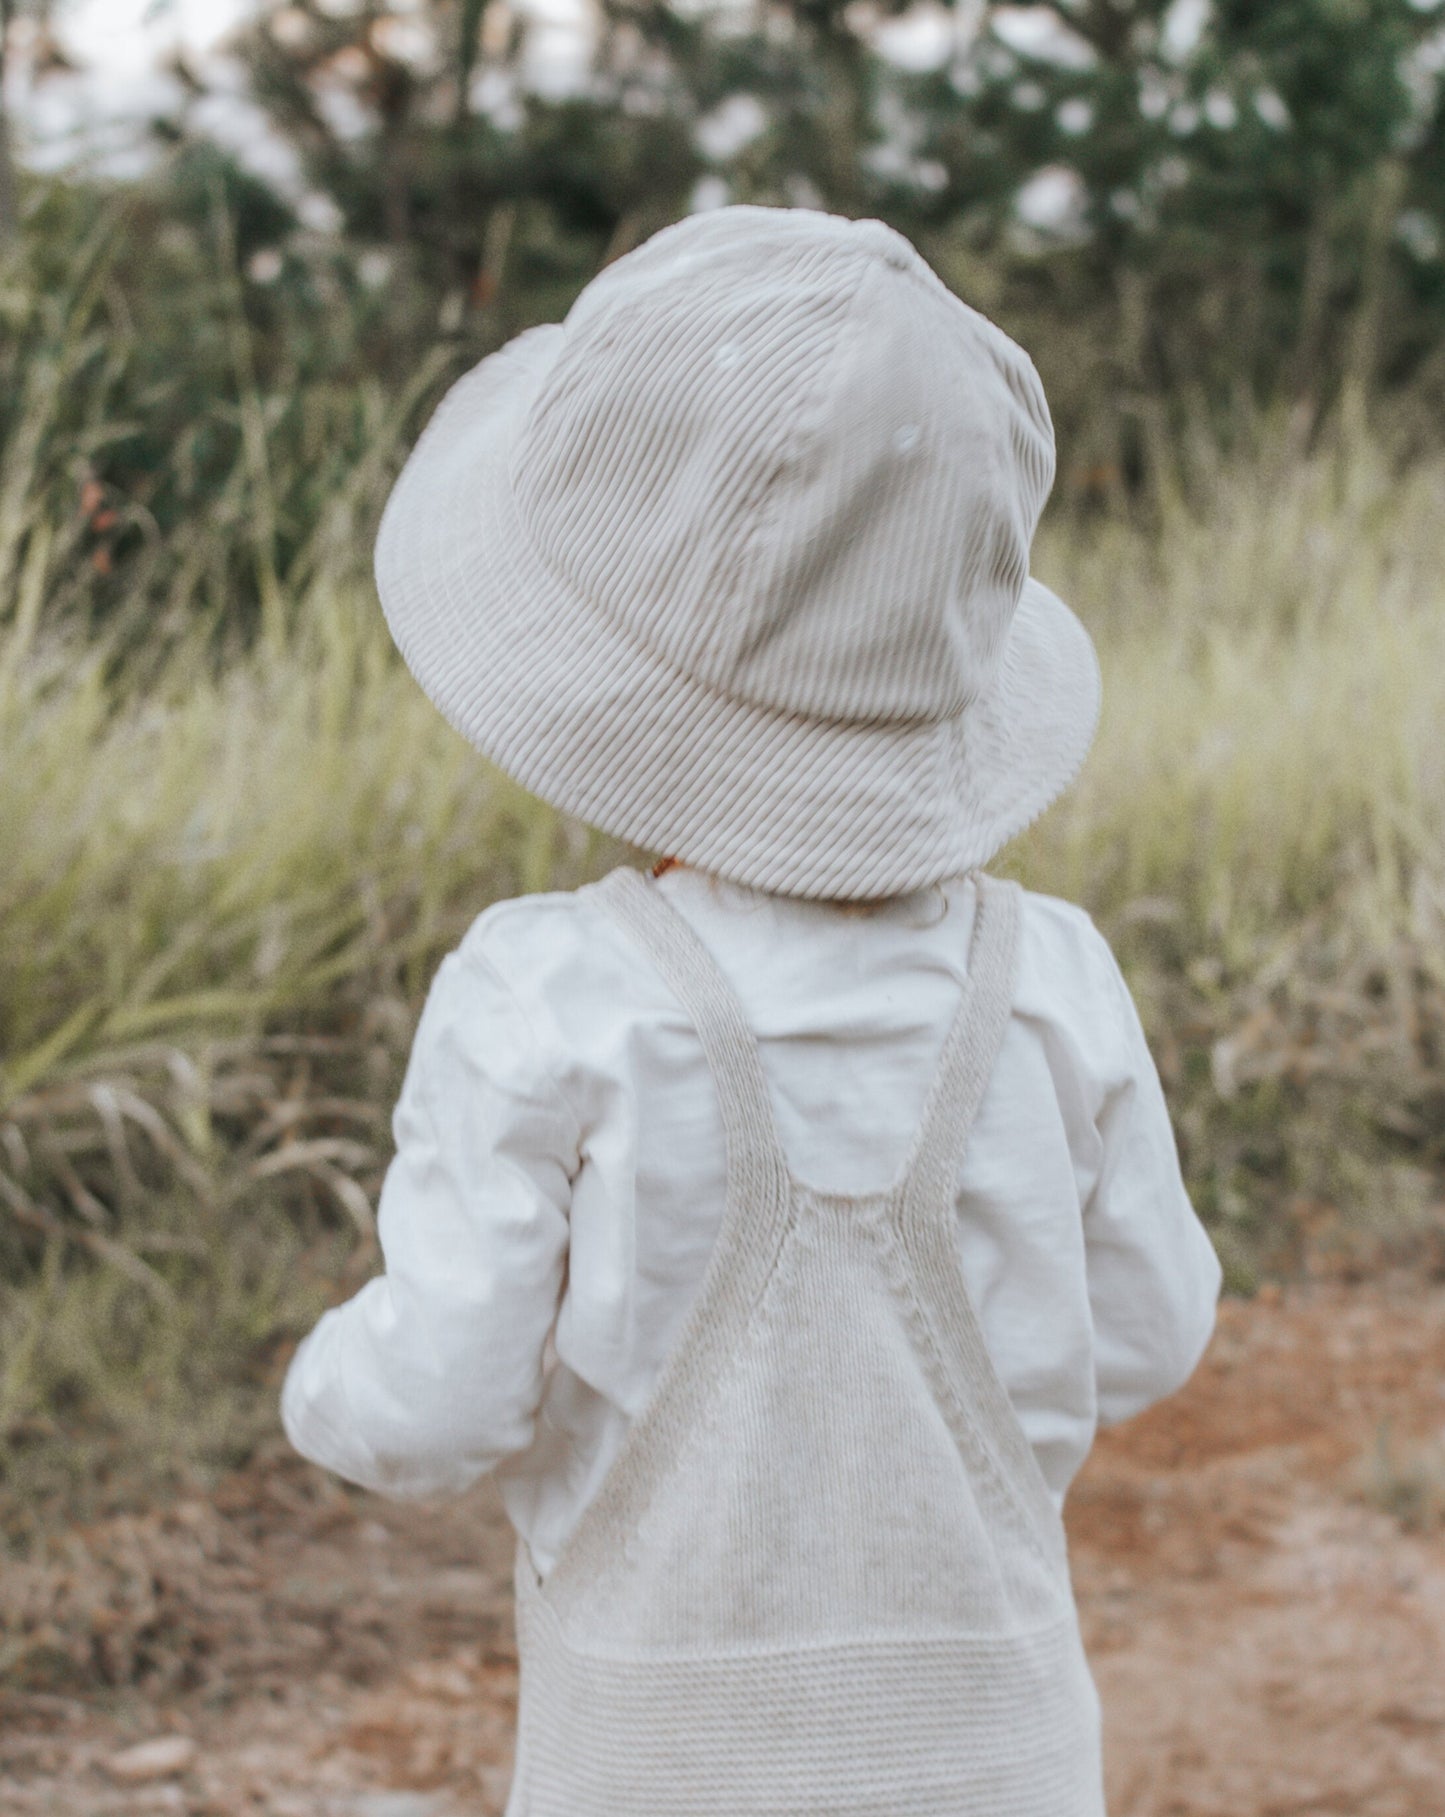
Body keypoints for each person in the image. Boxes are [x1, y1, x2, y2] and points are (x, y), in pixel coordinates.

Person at [280, 204, 1223, 1815]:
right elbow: (1149, 1331)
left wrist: (322, 1383)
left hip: (650, 1765)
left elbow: (438, 1400)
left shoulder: (551, 990)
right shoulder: (1051, 977)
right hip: (1004, 1756)